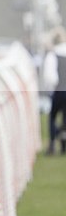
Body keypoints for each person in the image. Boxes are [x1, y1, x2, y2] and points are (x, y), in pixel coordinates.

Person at [43, 27, 66, 155]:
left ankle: (52, 145)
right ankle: (63, 146)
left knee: (52, 117)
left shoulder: (53, 55)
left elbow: (50, 77)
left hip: (58, 91)